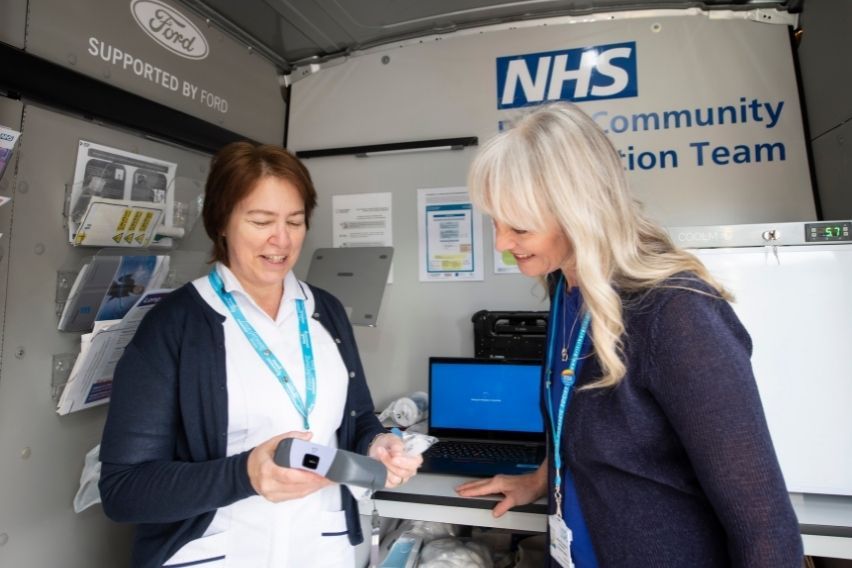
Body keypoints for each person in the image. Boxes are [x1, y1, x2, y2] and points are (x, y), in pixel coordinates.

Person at [456, 102, 803, 567]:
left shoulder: (674, 312)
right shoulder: (566, 287)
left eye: (519, 227)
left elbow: (764, 524)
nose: (501, 243)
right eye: (494, 221)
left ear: (580, 214)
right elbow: (575, 424)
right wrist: (542, 478)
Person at [99, 141, 422, 568]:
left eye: (295, 221)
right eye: (261, 221)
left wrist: (377, 444)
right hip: (217, 554)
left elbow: (357, 415)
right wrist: (245, 474)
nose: (281, 239)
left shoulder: (325, 311)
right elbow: (124, 490)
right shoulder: (175, 325)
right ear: (221, 222)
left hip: (322, 550)